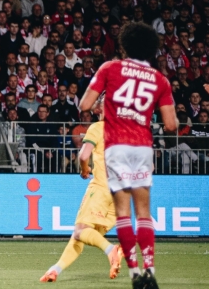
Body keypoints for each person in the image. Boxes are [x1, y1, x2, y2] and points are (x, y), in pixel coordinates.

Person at [79, 22, 177, 289]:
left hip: (116, 146)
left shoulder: (110, 68)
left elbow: (85, 105)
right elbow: (170, 125)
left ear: (123, 45)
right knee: (143, 212)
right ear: (151, 49)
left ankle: (134, 274)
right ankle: (151, 270)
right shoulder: (160, 79)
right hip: (142, 147)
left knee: (123, 214)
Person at [40, 97, 124, 282]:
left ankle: (112, 250)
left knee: (80, 231)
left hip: (102, 187)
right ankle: (55, 269)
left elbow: (83, 155)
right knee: (82, 234)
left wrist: (84, 169)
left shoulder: (97, 128)